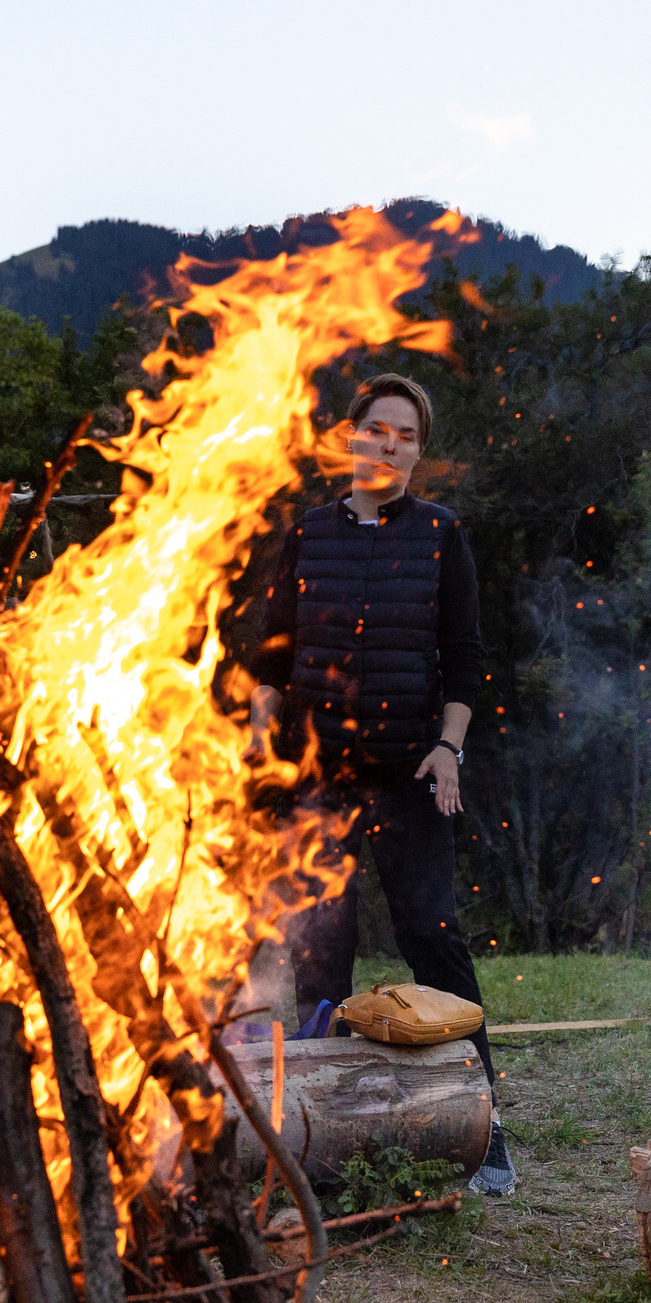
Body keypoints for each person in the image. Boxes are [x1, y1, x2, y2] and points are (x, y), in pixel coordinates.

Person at [246, 374, 515, 1193]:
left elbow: (465, 659)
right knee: (320, 949)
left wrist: (448, 747)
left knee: (432, 938)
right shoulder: (310, 534)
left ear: (416, 452)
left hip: (407, 772)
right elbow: (272, 654)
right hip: (320, 778)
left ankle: (485, 1122)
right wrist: (262, 742)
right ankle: (322, 1131)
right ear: (352, 437)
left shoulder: (441, 535)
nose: (391, 443)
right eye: (379, 428)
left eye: (407, 434)